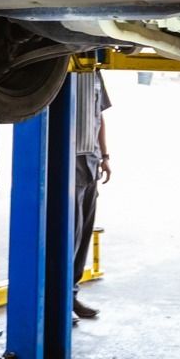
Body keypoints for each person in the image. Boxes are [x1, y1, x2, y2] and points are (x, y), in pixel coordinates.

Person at [72, 69, 111, 320]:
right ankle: (58, 296)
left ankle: (71, 295)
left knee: (84, 231)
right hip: (69, 158)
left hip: (91, 160)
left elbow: (100, 117)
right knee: (69, 232)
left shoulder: (95, 72)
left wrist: (105, 156)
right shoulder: (61, 70)